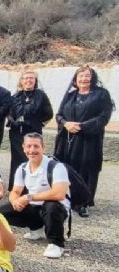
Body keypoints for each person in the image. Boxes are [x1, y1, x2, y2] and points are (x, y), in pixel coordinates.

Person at [53, 65, 114, 217]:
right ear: (75, 79)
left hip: (89, 140)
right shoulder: (70, 95)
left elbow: (104, 117)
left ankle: (83, 203)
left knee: (87, 169)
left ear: (92, 78)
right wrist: (66, 124)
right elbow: (59, 115)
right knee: (68, 168)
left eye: (87, 76)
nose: (84, 79)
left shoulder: (101, 94)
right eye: (81, 76)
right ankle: (67, 198)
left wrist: (82, 126)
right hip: (69, 139)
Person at [0, 133, 70, 258]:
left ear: (43, 147)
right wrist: (15, 202)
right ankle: (36, 227)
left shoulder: (56, 167)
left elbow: (59, 194)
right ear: (23, 148)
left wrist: (28, 197)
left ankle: (56, 243)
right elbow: (15, 192)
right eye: (29, 146)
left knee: (51, 207)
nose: (32, 150)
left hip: (55, 208)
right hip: (34, 207)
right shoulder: (22, 168)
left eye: (36, 146)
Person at [7, 70, 53, 190]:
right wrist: (14, 121)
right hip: (17, 133)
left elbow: (49, 114)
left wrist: (35, 121)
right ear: (21, 81)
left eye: (31, 78)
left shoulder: (41, 96)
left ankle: (33, 187)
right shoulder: (15, 96)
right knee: (17, 160)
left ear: (35, 81)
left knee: (32, 158)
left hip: (33, 133)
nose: (28, 80)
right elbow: (9, 113)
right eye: (26, 78)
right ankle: (17, 187)